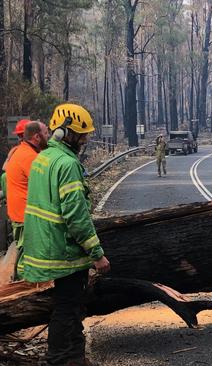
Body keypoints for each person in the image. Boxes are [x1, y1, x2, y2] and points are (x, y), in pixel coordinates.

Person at [20, 103, 110, 366]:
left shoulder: (44, 158)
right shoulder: (67, 164)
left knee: (70, 305)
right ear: (66, 134)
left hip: (45, 246)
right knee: (68, 308)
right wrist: (97, 254)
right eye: (82, 135)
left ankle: (73, 357)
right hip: (63, 251)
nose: (85, 140)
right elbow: (76, 217)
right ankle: (60, 359)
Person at [5, 121, 49, 259]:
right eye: (46, 133)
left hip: (20, 214)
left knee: (26, 255)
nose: (49, 137)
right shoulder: (29, 157)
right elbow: (46, 184)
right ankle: (25, 280)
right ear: (36, 137)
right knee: (29, 258)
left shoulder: (20, 152)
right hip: (26, 217)